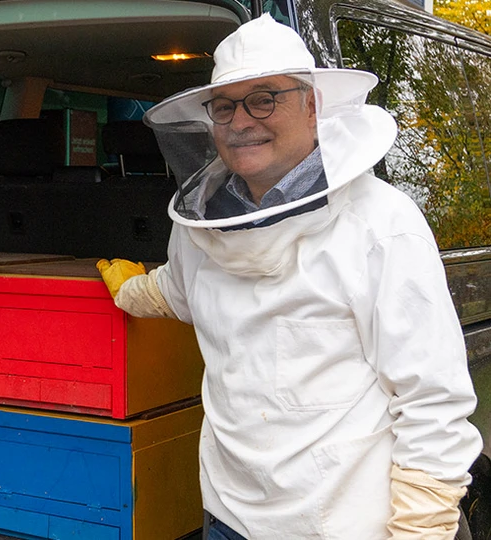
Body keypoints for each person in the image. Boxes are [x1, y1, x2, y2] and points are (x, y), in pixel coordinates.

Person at [97, 14, 482, 540]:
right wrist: (128, 290)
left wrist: (420, 528)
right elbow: (179, 290)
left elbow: (431, 402)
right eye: (225, 105)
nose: (241, 121)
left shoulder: (381, 224)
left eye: (264, 98)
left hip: (347, 524)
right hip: (229, 515)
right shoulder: (201, 226)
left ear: (313, 105)